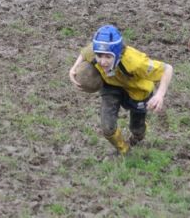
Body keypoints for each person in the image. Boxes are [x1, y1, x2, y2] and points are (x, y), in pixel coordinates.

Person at [69, 25, 173, 156]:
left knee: (137, 130)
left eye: (108, 57)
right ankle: (124, 150)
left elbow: (167, 69)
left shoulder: (135, 61)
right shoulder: (97, 49)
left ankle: (138, 135)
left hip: (138, 92)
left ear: (117, 53)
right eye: (99, 55)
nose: (102, 61)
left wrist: (160, 95)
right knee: (108, 127)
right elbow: (84, 54)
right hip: (111, 87)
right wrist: (73, 68)